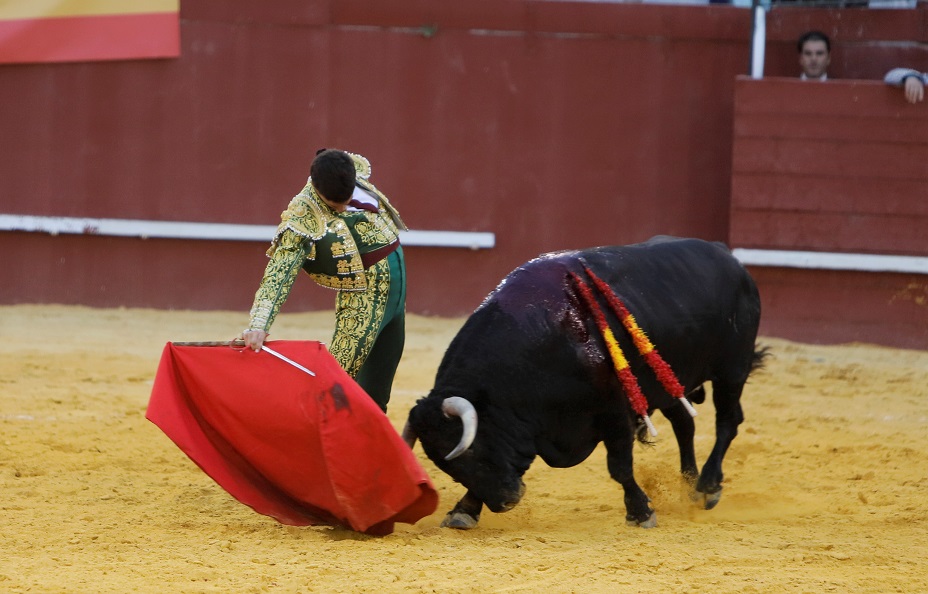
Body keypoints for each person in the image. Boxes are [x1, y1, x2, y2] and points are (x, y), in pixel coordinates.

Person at [242, 149, 408, 412]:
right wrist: (259, 324)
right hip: (364, 293)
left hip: (396, 286)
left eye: (347, 198)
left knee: (378, 386)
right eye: (333, 204)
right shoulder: (303, 213)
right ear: (318, 191)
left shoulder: (348, 172)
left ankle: (367, 436)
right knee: (334, 383)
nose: (342, 207)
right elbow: (280, 270)